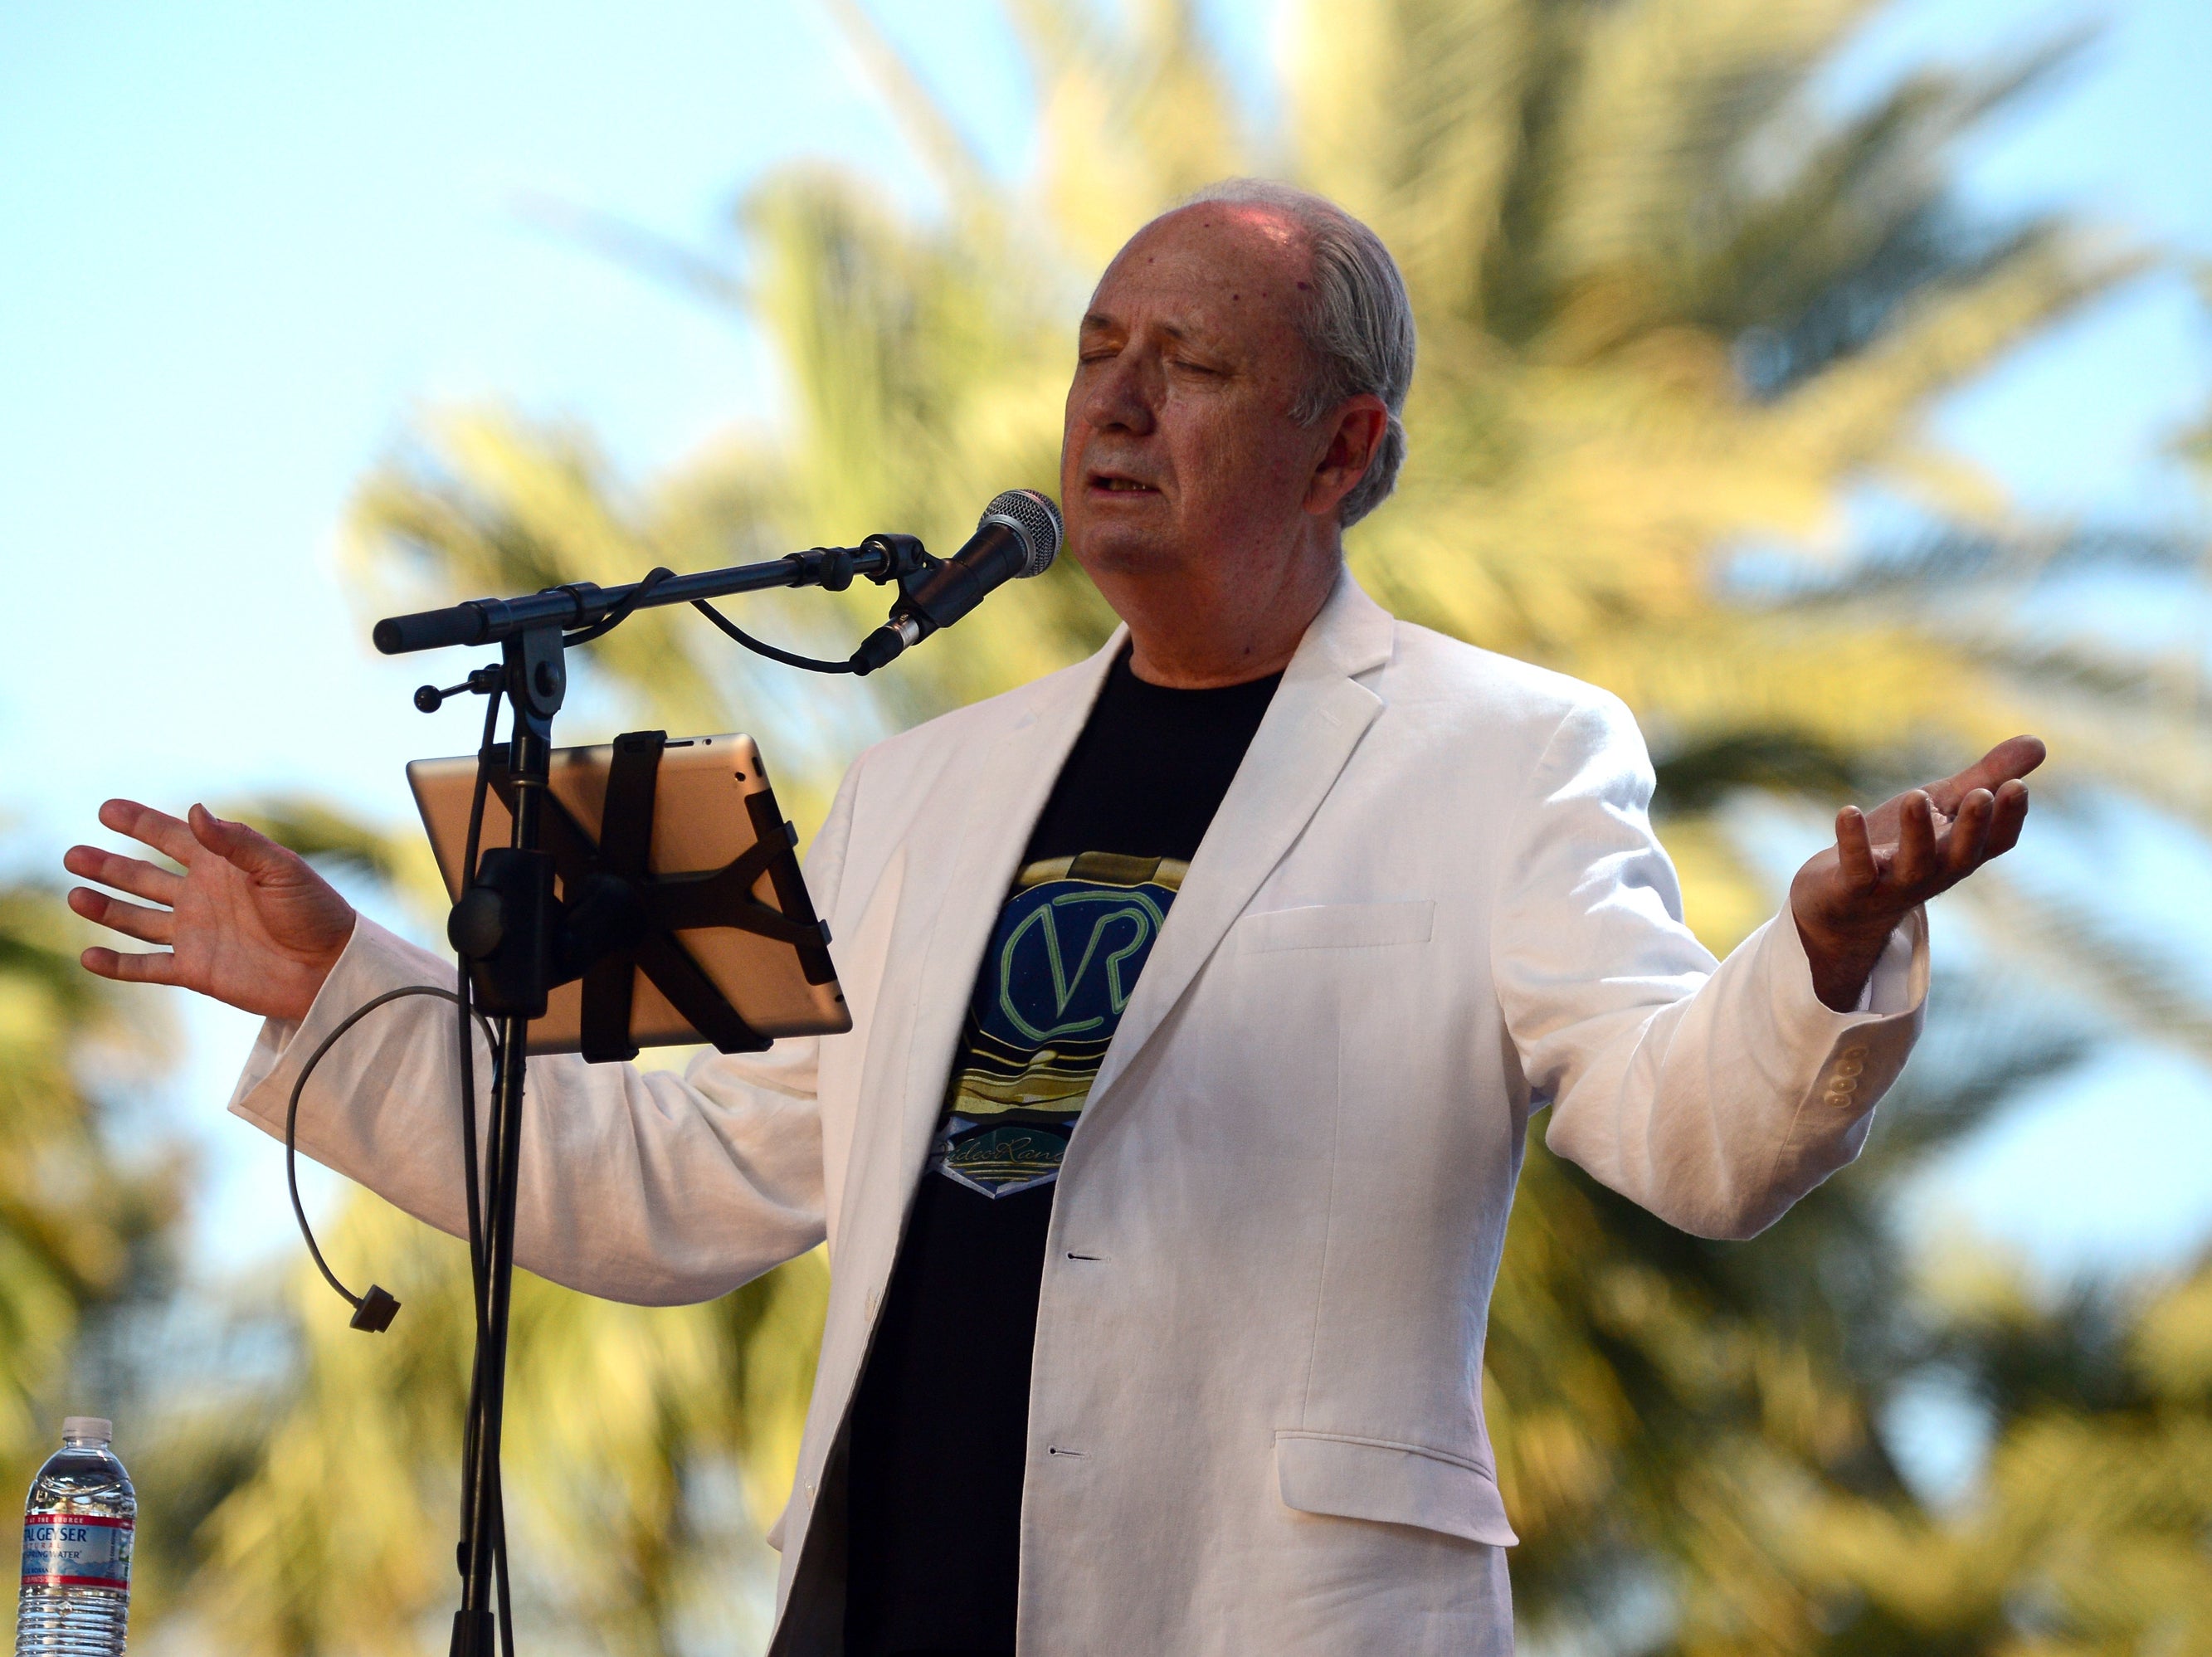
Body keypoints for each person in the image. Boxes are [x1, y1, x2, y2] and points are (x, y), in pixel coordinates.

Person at [65, 179, 2040, 1656]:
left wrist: (1823, 963)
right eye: (1099, 349)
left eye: (1191, 367)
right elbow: (669, 1178)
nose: (1115, 402)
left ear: (1342, 451)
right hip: (902, 1602)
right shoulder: (922, 783)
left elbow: (1679, 1126)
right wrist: (344, 990)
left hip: (1262, 1609)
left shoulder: (1506, 747)